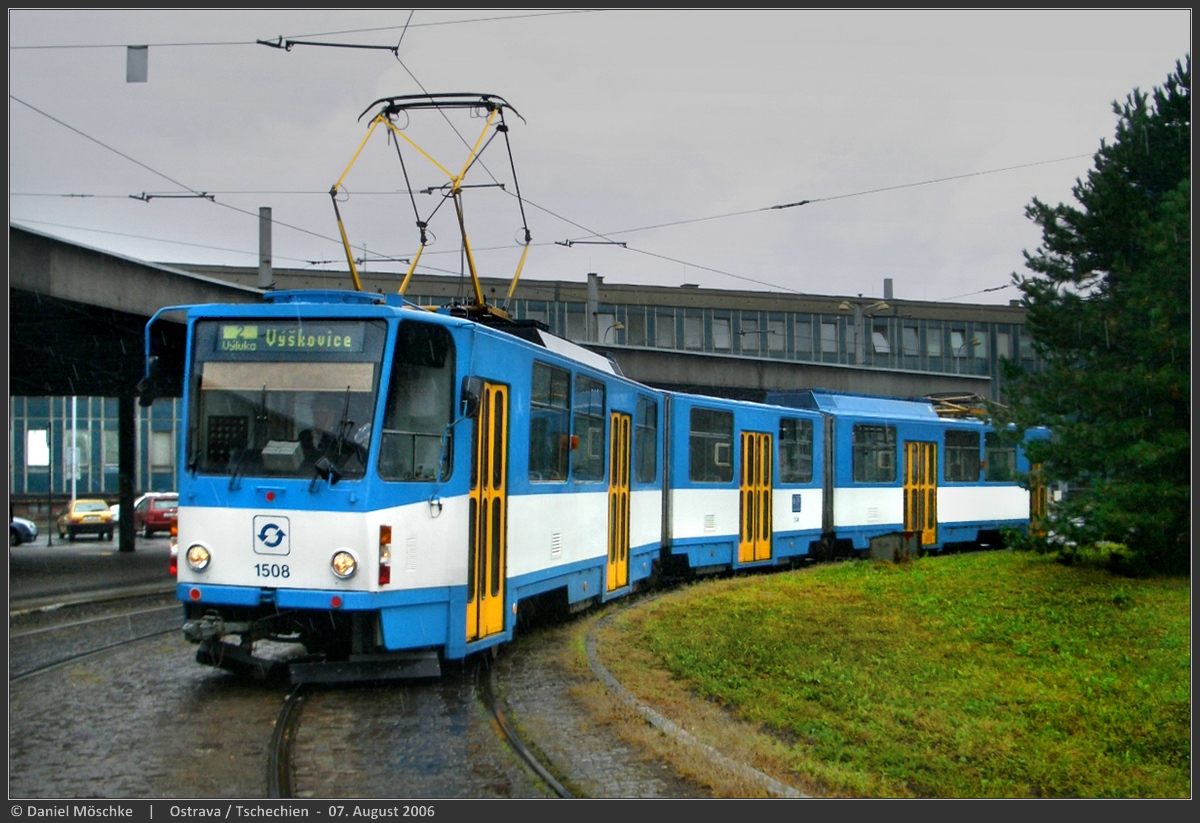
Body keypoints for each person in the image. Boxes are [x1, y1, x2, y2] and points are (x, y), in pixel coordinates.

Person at [299, 395, 343, 466]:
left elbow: (329, 458)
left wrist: (325, 433)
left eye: (323, 414)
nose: (319, 417)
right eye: (316, 413)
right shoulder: (304, 435)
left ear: (331, 415)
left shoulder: (339, 437)